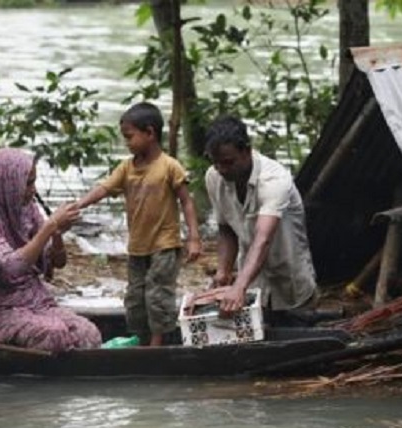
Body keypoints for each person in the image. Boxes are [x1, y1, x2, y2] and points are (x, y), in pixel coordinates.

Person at [76, 102, 201, 347]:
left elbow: (186, 202)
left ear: (150, 133)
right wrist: (79, 205)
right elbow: (104, 188)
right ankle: (141, 341)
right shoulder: (126, 168)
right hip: (137, 246)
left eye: (130, 137)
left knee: (157, 295)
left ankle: (156, 345)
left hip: (164, 245)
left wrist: (194, 237)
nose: (127, 143)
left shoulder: (169, 166)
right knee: (135, 297)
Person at [0, 148, 102, 352]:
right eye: (28, 184)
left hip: (34, 300)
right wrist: (49, 226)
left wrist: (57, 234)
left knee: (88, 333)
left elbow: (57, 263)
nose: (33, 190)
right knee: (53, 335)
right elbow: (13, 266)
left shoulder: (26, 210)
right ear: (7, 183)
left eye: (34, 182)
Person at [202, 115, 317, 319]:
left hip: (289, 276)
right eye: (215, 162)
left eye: (228, 162)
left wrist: (239, 285)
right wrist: (224, 271)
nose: (221, 169)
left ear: (246, 150)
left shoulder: (274, 179)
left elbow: (263, 239)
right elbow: (226, 228)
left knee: (297, 333)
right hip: (253, 281)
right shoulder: (214, 177)